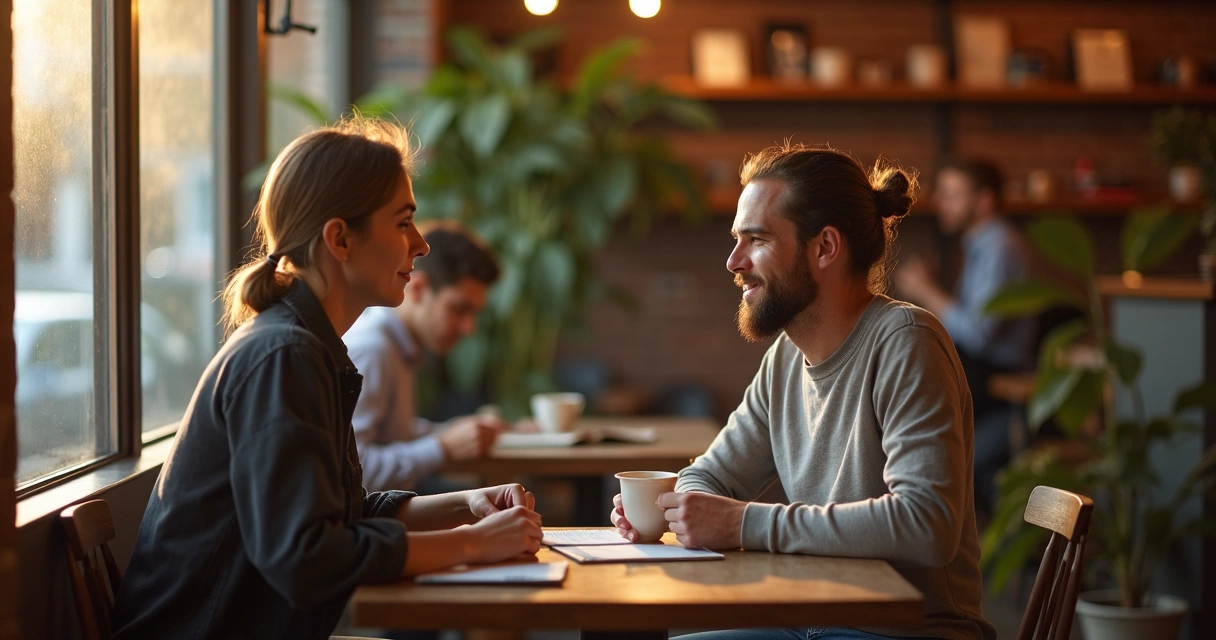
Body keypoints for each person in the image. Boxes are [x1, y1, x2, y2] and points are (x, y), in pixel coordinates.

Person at [111, 117, 543, 640]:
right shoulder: (284, 355)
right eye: (403, 222)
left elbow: (340, 514)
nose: (422, 244)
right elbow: (304, 557)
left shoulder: (307, 346)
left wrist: (465, 504)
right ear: (340, 239)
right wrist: (475, 543)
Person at [611, 144, 997, 640]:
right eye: (737, 239)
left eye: (756, 239)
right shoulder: (785, 359)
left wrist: (744, 525)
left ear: (825, 248)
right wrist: (675, 508)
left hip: (908, 631)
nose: (733, 261)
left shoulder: (906, 340)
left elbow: (927, 525)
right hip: (812, 624)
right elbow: (710, 476)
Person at [893, 159, 1034, 514]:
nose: (941, 203)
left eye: (952, 195)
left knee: (947, 472)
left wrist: (927, 292)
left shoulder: (1000, 246)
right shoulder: (980, 246)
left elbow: (982, 334)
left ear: (984, 201)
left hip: (1003, 395)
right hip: (984, 390)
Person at [344, 220, 508, 494]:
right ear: (419, 289)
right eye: (459, 309)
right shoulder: (373, 348)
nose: (469, 328)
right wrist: (442, 448)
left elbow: (391, 433)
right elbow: (351, 470)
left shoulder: (398, 346)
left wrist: (456, 432)